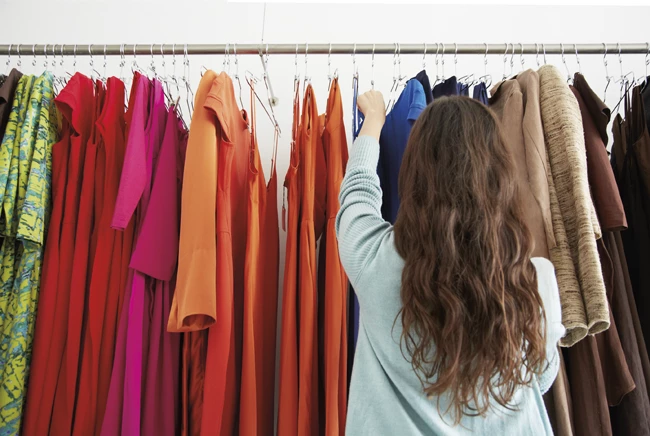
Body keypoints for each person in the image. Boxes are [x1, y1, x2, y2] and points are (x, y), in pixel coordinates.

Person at [336, 91, 565, 435]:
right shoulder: (536, 280)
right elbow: (541, 377)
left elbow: (357, 191)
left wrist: (374, 120)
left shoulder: (372, 258)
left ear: (413, 173)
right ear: (499, 175)